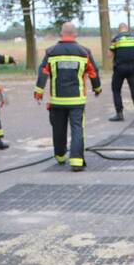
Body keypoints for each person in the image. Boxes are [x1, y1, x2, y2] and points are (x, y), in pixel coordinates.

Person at [34, 22, 102, 172]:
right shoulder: (84, 52)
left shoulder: (51, 52)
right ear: (75, 34)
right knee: (77, 128)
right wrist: (97, 88)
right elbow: (93, 72)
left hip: (57, 100)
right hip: (77, 100)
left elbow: (43, 72)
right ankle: (77, 161)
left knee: (58, 128)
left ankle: (59, 156)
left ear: (61, 34)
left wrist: (38, 92)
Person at [108, 22, 134, 122]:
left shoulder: (116, 39)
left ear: (119, 29)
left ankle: (119, 114)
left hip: (119, 69)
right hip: (132, 68)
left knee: (116, 90)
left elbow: (109, 55)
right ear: (127, 29)